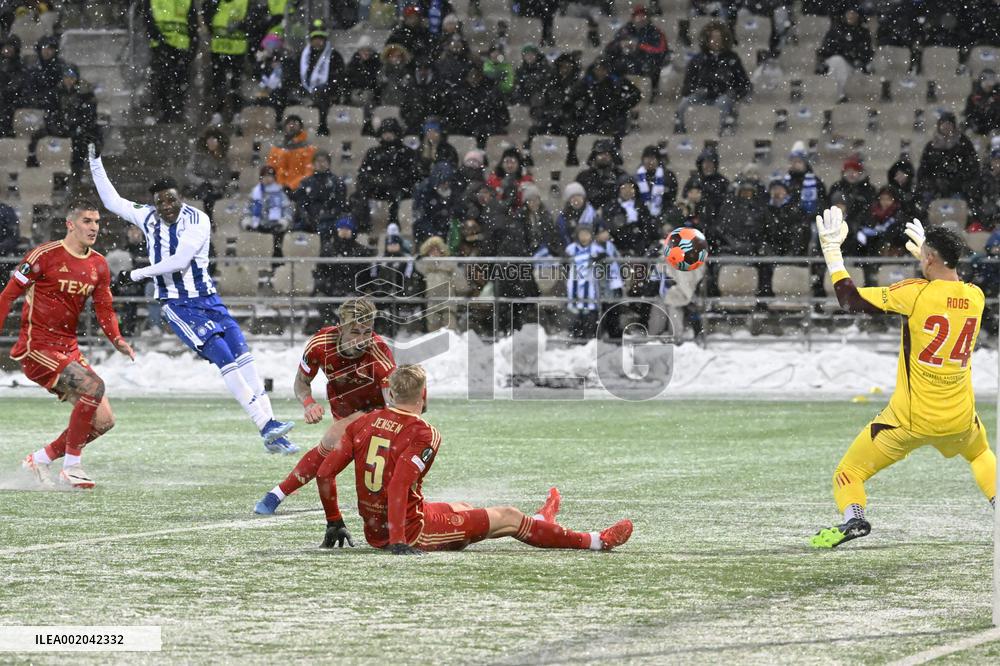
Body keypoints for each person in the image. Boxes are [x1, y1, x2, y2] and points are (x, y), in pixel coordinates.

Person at [88, 145, 298, 454]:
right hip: (179, 305)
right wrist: (95, 161)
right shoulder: (147, 217)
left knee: (244, 357)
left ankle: (274, 433)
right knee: (224, 356)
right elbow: (111, 200)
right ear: (155, 205)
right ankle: (265, 424)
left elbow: (180, 260)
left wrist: (135, 275)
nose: (167, 206)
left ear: (180, 197)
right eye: (161, 202)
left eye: (171, 199)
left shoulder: (197, 219)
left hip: (209, 299)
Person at [811, 207, 995, 548]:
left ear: (927, 258)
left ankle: (854, 518)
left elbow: (850, 300)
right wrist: (929, 259)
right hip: (959, 420)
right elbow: (949, 287)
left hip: (908, 421)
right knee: (981, 454)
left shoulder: (915, 293)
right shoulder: (976, 296)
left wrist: (832, 254)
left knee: (849, 473)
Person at [312, 364, 633, 553]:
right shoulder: (424, 432)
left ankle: (539, 523)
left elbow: (324, 473)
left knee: (464, 508)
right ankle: (594, 541)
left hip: (377, 525)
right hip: (409, 531)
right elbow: (397, 486)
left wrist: (334, 522)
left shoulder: (362, 422)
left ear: (391, 394)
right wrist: (399, 542)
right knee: (507, 517)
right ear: (423, 395)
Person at [0, 199, 134, 489]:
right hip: (37, 348)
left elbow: (105, 308)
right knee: (93, 387)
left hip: (67, 349)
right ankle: (72, 466)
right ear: (70, 224)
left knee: (104, 420)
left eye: (97, 222)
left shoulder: (98, 264)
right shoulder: (43, 255)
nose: (94, 227)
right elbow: (8, 295)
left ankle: (41, 458)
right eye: (87, 221)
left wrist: (117, 339)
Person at [254, 298, 395, 515]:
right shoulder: (319, 345)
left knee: (332, 443)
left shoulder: (379, 353)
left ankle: (277, 495)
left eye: (367, 332)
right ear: (340, 329)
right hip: (342, 409)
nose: (362, 340)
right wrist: (309, 404)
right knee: (329, 461)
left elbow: (393, 402)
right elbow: (301, 382)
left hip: (378, 409)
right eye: (355, 333)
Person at [675, 20, 750, 134]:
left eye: (719, 39)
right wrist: (695, 90)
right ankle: (680, 130)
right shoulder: (697, 60)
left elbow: (744, 84)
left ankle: (722, 131)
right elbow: (686, 86)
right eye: (713, 38)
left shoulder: (732, 59)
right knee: (684, 103)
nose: (716, 42)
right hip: (701, 96)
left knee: (723, 103)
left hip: (723, 96)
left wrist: (734, 92)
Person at [25, 64, 100, 179]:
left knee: (80, 144)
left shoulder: (86, 94)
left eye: (72, 77)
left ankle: (76, 175)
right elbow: (50, 113)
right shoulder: (56, 93)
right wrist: (56, 127)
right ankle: (33, 171)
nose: (69, 80)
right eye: (66, 77)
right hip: (60, 127)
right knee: (36, 136)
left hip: (77, 129)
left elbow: (89, 117)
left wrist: (76, 126)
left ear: (77, 78)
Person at [142, 0, 198, 123]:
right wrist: (157, 37)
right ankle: (165, 111)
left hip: (181, 45)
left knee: (181, 81)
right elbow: (148, 18)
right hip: (161, 46)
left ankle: (177, 112)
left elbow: (193, 22)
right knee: (162, 79)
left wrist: (193, 45)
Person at [916, 111, 980, 204]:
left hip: (960, 189)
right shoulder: (930, 146)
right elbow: (923, 170)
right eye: (943, 123)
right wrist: (934, 184)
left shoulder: (964, 143)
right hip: (935, 190)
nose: (946, 126)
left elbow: (973, 166)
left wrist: (960, 181)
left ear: (954, 126)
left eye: (949, 123)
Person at [203, 0, 250, 124]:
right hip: (219, 47)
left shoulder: (244, 2)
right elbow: (207, 13)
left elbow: (253, 19)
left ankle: (236, 113)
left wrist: (240, 25)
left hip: (237, 48)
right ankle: (218, 112)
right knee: (219, 81)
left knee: (236, 82)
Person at [815, 3, 873, 103]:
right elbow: (827, 48)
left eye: (854, 14)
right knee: (837, 62)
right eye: (849, 13)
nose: (851, 16)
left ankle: (836, 94)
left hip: (853, 64)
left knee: (841, 64)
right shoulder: (836, 30)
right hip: (833, 61)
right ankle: (838, 94)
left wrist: (852, 55)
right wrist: (843, 51)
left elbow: (865, 52)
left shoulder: (863, 32)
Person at [299, 20, 345, 136]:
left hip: (327, 91)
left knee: (321, 94)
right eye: (315, 39)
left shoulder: (334, 56)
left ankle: (322, 127)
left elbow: (338, 78)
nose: (318, 42)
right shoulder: (303, 56)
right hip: (307, 90)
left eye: (321, 39)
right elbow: (298, 76)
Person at [183, 126, 234, 219]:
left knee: (209, 196)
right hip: (198, 186)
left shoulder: (222, 159)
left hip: (216, 188)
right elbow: (189, 172)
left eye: (214, 140)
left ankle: (210, 219)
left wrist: (212, 183)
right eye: (209, 140)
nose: (211, 143)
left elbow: (224, 176)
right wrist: (201, 181)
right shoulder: (198, 155)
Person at [290, 150, 347, 233]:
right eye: (318, 161)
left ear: (329, 163)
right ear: (313, 164)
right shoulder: (306, 182)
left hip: (329, 220)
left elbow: (339, 206)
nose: (321, 164)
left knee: (326, 229)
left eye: (324, 161)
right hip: (308, 220)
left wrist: (324, 216)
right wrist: (306, 217)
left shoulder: (337, 182)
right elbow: (300, 203)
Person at [266, 114, 316, 191]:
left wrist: (292, 186)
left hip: (299, 190)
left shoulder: (308, 149)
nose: (291, 126)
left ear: (301, 128)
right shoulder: (276, 148)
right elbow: (270, 170)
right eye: (289, 123)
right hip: (278, 190)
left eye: (295, 123)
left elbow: (309, 173)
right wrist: (278, 186)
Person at [964, 68, 1000, 136]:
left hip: (994, 129)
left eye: (991, 82)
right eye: (986, 81)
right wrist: (973, 126)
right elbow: (969, 115)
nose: (989, 85)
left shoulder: (997, 96)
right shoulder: (973, 97)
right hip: (976, 128)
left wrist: (994, 128)